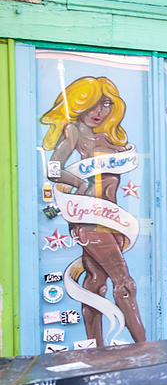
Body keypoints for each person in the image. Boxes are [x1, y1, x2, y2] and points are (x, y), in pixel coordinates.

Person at [40, 76, 146, 344]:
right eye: (91, 105)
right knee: (125, 285)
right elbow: (53, 169)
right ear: (79, 105)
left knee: (96, 283)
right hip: (90, 220)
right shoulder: (75, 132)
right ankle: (144, 349)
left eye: (106, 104)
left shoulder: (111, 136)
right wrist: (77, 182)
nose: (99, 112)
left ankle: (95, 350)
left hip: (110, 218)